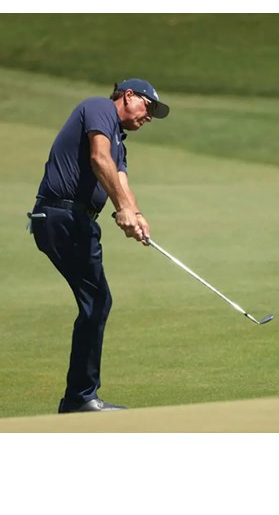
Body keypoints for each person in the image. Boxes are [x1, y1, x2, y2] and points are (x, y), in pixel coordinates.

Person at [28, 78, 170, 413]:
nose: (148, 117)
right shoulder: (99, 108)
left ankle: (79, 396)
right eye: (148, 108)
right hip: (61, 216)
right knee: (97, 300)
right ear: (129, 95)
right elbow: (98, 157)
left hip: (77, 222)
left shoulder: (119, 141)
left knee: (96, 301)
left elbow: (120, 179)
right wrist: (121, 208)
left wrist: (135, 214)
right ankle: (79, 398)